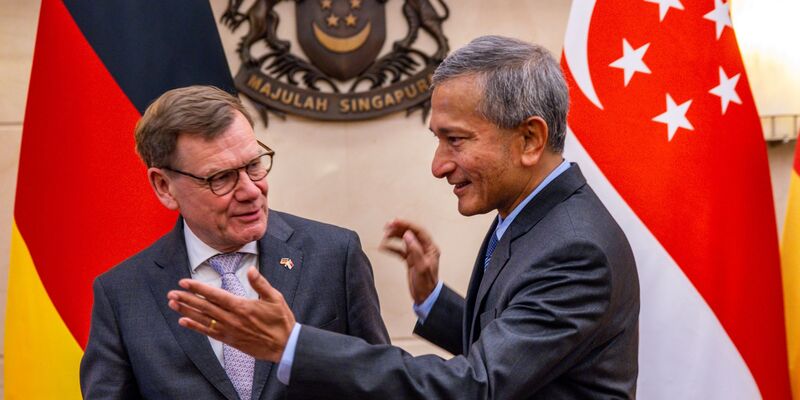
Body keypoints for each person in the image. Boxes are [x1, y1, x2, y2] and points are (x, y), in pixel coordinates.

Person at [168, 35, 640, 399]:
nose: (439, 165)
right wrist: (434, 301)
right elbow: (520, 350)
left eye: (455, 140)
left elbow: (475, 386)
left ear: (530, 140)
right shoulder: (532, 218)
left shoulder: (575, 250)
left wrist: (291, 344)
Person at [79, 85, 389, 400]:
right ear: (164, 186)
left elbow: (383, 383)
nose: (251, 191)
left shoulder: (334, 256)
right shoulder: (122, 293)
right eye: (221, 178)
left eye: (254, 164)